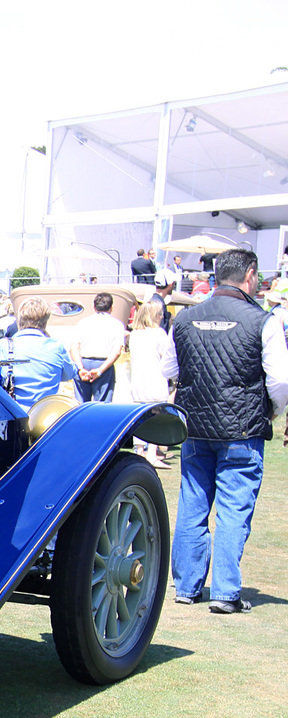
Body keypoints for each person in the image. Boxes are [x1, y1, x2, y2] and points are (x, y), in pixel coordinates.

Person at [160, 248, 288, 614]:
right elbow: (280, 380)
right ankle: (226, 592)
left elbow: (170, 367)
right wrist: (271, 412)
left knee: (192, 505)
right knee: (234, 508)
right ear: (250, 275)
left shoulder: (185, 318)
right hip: (242, 429)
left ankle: (186, 586)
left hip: (195, 425)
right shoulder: (263, 320)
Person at [0, 297, 77, 411]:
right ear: (45, 320)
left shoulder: (2, 347)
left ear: (19, 319)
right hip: (46, 415)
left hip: (12, 414)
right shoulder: (56, 346)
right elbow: (69, 374)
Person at [126, 296, 172, 468]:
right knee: (156, 417)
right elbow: (166, 356)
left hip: (138, 380)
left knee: (140, 417)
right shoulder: (159, 334)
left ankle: (140, 451)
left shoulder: (135, 334)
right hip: (155, 379)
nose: (162, 317)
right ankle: (151, 453)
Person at [68, 292, 125, 402]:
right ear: (111, 307)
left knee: (81, 405)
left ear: (94, 307)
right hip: (104, 364)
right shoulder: (117, 325)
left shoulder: (82, 322)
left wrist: (80, 368)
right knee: (102, 406)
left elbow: (73, 348)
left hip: (84, 362)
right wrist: (100, 371)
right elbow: (116, 352)